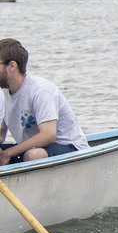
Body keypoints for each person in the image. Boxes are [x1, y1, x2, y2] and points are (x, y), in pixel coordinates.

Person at [0, 38, 90, 166]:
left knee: (33, 155)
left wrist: (9, 153)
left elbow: (48, 135)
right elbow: (1, 136)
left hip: (69, 148)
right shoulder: (4, 95)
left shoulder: (40, 91)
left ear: (12, 66)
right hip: (30, 149)